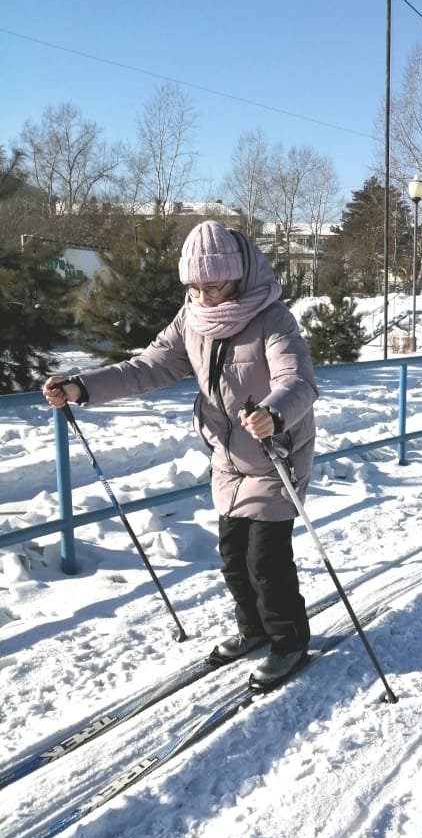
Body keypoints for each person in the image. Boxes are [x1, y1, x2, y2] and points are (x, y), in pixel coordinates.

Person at [43, 220, 318, 691]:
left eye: (215, 286)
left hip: (275, 453)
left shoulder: (273, 318)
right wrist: (82, 387)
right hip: (227, 459)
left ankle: (289, 642)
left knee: (265, 561)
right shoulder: (190, 318)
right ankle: (253, 632)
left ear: (240, 275)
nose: (206, 297)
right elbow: (148, 366)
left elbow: (299, 382)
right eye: (195, 287)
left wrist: (273, 413)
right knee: (233, 556)